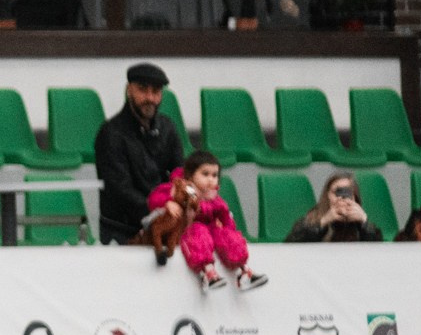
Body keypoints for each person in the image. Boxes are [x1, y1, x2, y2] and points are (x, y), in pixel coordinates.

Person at [149, 150, 267, 291]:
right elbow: (154, 198)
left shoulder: (215, 199)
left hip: (211, 230)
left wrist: (232, 233)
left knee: (226, 235)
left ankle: (244, 272)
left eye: (214, 175)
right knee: (199, 232)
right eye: (205, 174)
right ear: (190, 176)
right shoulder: (179, 189)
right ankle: (208, 274)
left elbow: (225, 217)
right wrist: (169, 202)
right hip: (187, 230)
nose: (211, 179)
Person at [94, 62, 184, 245]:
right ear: (129, 90)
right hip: (122, 230)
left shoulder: (168, 127)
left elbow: (179, 172)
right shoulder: (111, 133)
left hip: (161, 222)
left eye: (156, 91)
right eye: (143, 90)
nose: (150, 98)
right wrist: (160, 209)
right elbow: (120, 189)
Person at [287, 172, 384, 242]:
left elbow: (378, 251)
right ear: (328, 195)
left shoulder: (360, 224)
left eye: (347, 193)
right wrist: (323, 222)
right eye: (337, 193)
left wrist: (364, 223)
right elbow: (291, 245)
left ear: (355, 197)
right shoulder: (312, 218)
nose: (341, 199)